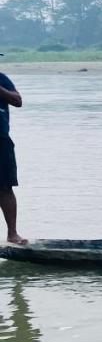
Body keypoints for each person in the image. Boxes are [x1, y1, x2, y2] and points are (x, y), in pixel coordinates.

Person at [0, 60, 25, 244]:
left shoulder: (2, 80)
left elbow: (18, 101)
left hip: (1, 140)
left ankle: (12, 234)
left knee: (5, 188)